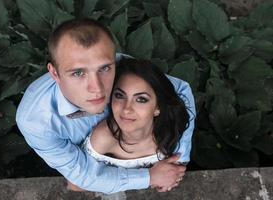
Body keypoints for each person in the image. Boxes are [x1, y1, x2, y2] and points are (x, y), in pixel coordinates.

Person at [16, 18, 196, 194]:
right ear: (55, 73)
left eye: (104, 69)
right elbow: (82, 174)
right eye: (78, 73)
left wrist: (177, 161)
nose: (97, 88)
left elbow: (179, 91)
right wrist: (149, 177)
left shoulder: (120, 67)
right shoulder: (35, 120)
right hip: (84, 163)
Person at [67, 58, 191, 192]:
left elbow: (177, 171)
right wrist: (150, 178)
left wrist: (169, 177)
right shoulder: (104, 138)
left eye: (141, 99)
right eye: (120, 95)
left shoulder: (170, 131)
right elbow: (75, 184)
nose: (126, 109)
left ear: (157, 108)